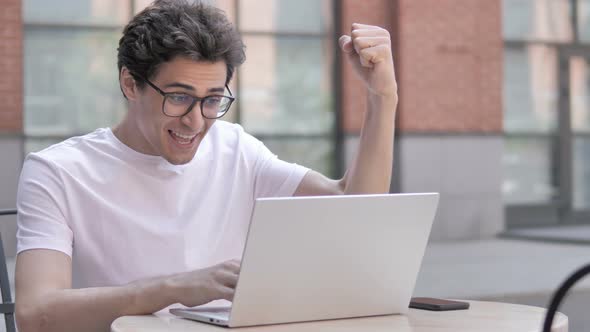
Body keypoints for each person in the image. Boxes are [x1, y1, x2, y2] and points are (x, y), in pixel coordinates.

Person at [14, 1, 397, 331]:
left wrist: (383, 97)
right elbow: (34, 316)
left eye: (212, 100)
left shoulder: (235, 149)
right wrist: (175, 288)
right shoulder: (57, 172)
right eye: (179, 97)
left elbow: (353, 204)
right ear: (130, 85)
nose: (196, 121)